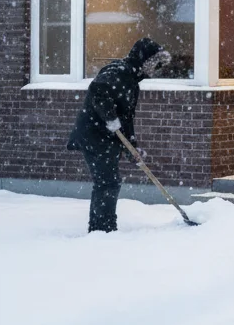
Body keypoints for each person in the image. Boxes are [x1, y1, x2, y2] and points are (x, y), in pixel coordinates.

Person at [66, 37, 172, 233]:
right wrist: (110, 118)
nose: (157, 69)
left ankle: (103, 227)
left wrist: (133, 148)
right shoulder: (118, 71)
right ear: (145, 61)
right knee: (108, 181)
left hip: (106, 136)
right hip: (94, 134)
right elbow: (98, 90)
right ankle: (102, 229)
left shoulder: (132, 81)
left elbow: (127, 119)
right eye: (155, 64)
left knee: (109, 181)